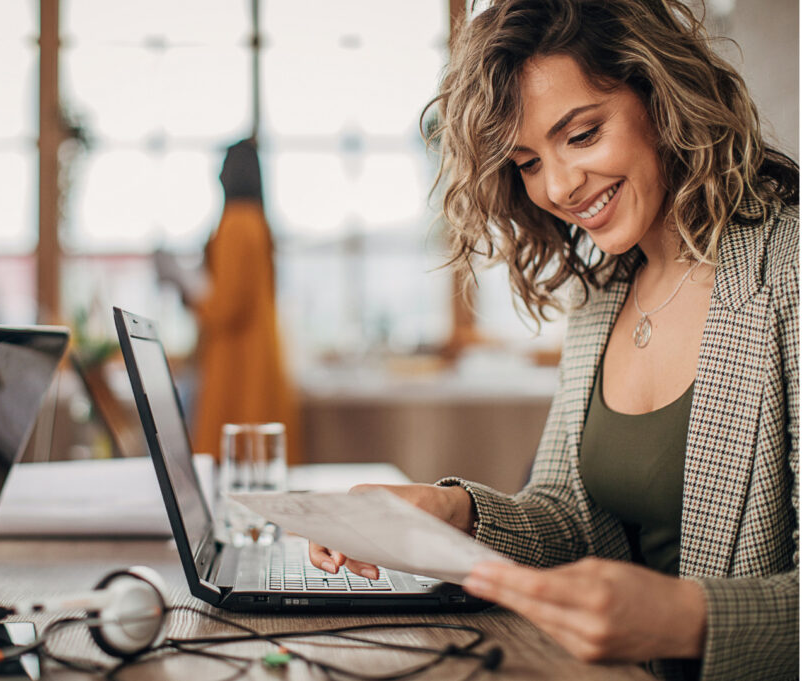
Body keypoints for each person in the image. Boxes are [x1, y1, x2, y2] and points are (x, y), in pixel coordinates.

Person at [309, 1, 797, 679]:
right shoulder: (603, 290)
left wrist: (686, 616)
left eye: (583, 134)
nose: (560, 186)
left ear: (661, 95)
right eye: (529, 161)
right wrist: (455, 510)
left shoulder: (790, 270)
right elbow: (571, 519)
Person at [155, 139, 301, 464]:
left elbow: (226, 307)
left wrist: (187, 288)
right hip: (258, 358)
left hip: (237, 366)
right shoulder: (259, 223)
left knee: (235, 466)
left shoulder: (236, 223)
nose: (218, 175)